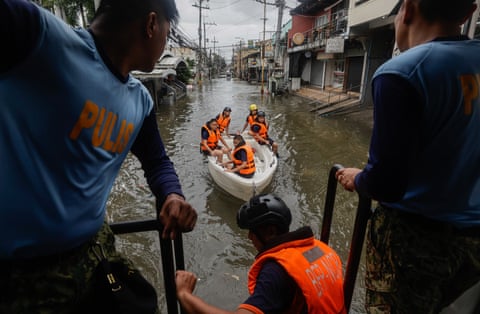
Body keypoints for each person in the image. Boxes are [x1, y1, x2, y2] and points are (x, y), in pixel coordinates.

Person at [0, 0, 197, 312]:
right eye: (167, 33)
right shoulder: (41, 38)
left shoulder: (139, 100)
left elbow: (157, 161)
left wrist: (171, 194)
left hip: (94, 252)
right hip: (19, 276)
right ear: (150, 25)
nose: (165, 44)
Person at [335, 0, 480, 313]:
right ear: (468, 13)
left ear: (409, 9)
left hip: (414, 241)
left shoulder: (401, 73)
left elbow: (386, 183)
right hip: (473, 239)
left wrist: (358, 179)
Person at [176, 193, 346, 314]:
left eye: (253, 231)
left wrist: (184, 294)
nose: (249, 237)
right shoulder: (320, 248)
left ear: (271, 231)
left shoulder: (277, 271)